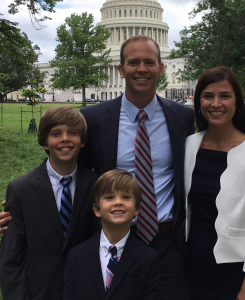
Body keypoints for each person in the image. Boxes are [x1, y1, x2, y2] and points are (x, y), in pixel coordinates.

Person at [0, 35, 194, 300]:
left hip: (167, 240)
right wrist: (25, 202)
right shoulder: (93, 119)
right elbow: (69, 168)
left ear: (161, 68)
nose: (141, 69)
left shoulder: (182, 117)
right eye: (133, 62)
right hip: (110, 240)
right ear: (120, 69)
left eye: (149, 62)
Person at [183, 66, 245, 300]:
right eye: (208, 96)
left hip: (237, 274)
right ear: (198, 103)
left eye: (224, 96)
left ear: (237, 102)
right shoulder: (187, 146)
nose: (216, 104)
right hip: (191, 269)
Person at [0, 106, 99, 300]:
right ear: (45, 142)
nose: (65, 139)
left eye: (72, 133)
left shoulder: (97, 186)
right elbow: (11, 259)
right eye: (56, 133)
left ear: (82, 141)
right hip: (38, 293)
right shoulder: (21, 190)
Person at [63, 169, 160, 300]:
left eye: (126, 197)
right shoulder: (77, 256)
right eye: (109, 197)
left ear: (136, 209)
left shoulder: (148, 258)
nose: (118, 202)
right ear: (97, 209)